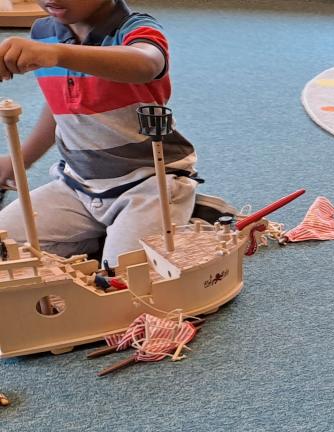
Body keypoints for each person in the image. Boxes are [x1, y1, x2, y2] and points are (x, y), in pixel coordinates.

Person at [0, 0, 201, 268]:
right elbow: (62, 104)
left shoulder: (136, 29)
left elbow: (147, 63)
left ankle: (183, 213)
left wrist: (58, 53)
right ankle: (100, 237)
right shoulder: (44, 33)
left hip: (149, 185)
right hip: (77, 186)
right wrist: (21, 159)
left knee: (125, 275)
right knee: (6, 245)